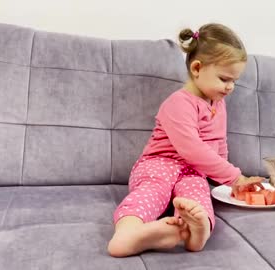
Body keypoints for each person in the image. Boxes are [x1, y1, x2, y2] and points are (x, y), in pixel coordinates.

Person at [108, 23, 264, 257]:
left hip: (193, 172)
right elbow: (192, 149)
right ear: (197, 68)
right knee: (152, 191)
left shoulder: (218, 105)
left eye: (235, 81)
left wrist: (228, 185)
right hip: (159, 163)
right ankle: (128, 233)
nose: (230, 87)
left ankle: (196, 234)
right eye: (224, 79)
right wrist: (235, 177)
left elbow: (219, 144)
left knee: (198, 201)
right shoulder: (179, 103)